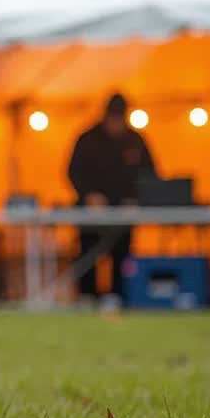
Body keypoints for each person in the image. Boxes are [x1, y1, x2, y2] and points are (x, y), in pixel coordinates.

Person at [66, 93, 156, 303]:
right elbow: (73, 172)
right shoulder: (87, 139)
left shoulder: (136, 140)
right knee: (88, 253)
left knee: (122, 255)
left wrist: (136, 199)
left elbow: (150, 175)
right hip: (91, 215)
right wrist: (88, 195)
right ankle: (87, 298)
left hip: (123, 214)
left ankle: (120, 296)